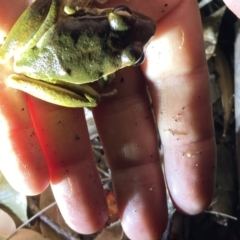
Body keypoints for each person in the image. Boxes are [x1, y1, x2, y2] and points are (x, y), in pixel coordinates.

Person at [0, 0, 238, 239]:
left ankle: (14, 66)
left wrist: (83, 13)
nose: (144, 24)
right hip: (43, 64)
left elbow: (70, 9)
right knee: (93, 99)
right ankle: (20, 77)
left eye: (133, 56)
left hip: (36, 45)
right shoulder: (111, 56)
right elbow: (103, 81)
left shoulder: (98, 18)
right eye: (123, 17)